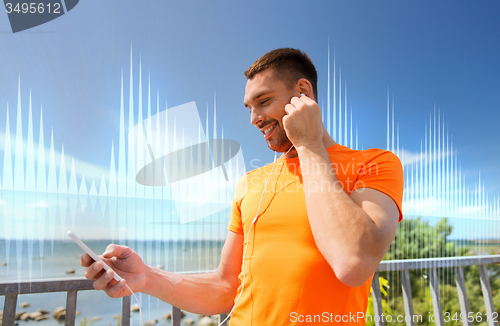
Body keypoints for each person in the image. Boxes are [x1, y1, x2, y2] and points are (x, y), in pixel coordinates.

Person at [82, 48, 404, 325]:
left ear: (303, 94)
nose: (253, 118)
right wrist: (147, 278)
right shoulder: (250, 184)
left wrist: (308, 146)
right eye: (249, 107)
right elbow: (225, 287)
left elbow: (353, 263)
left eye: (263, 101)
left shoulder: (375, 164)